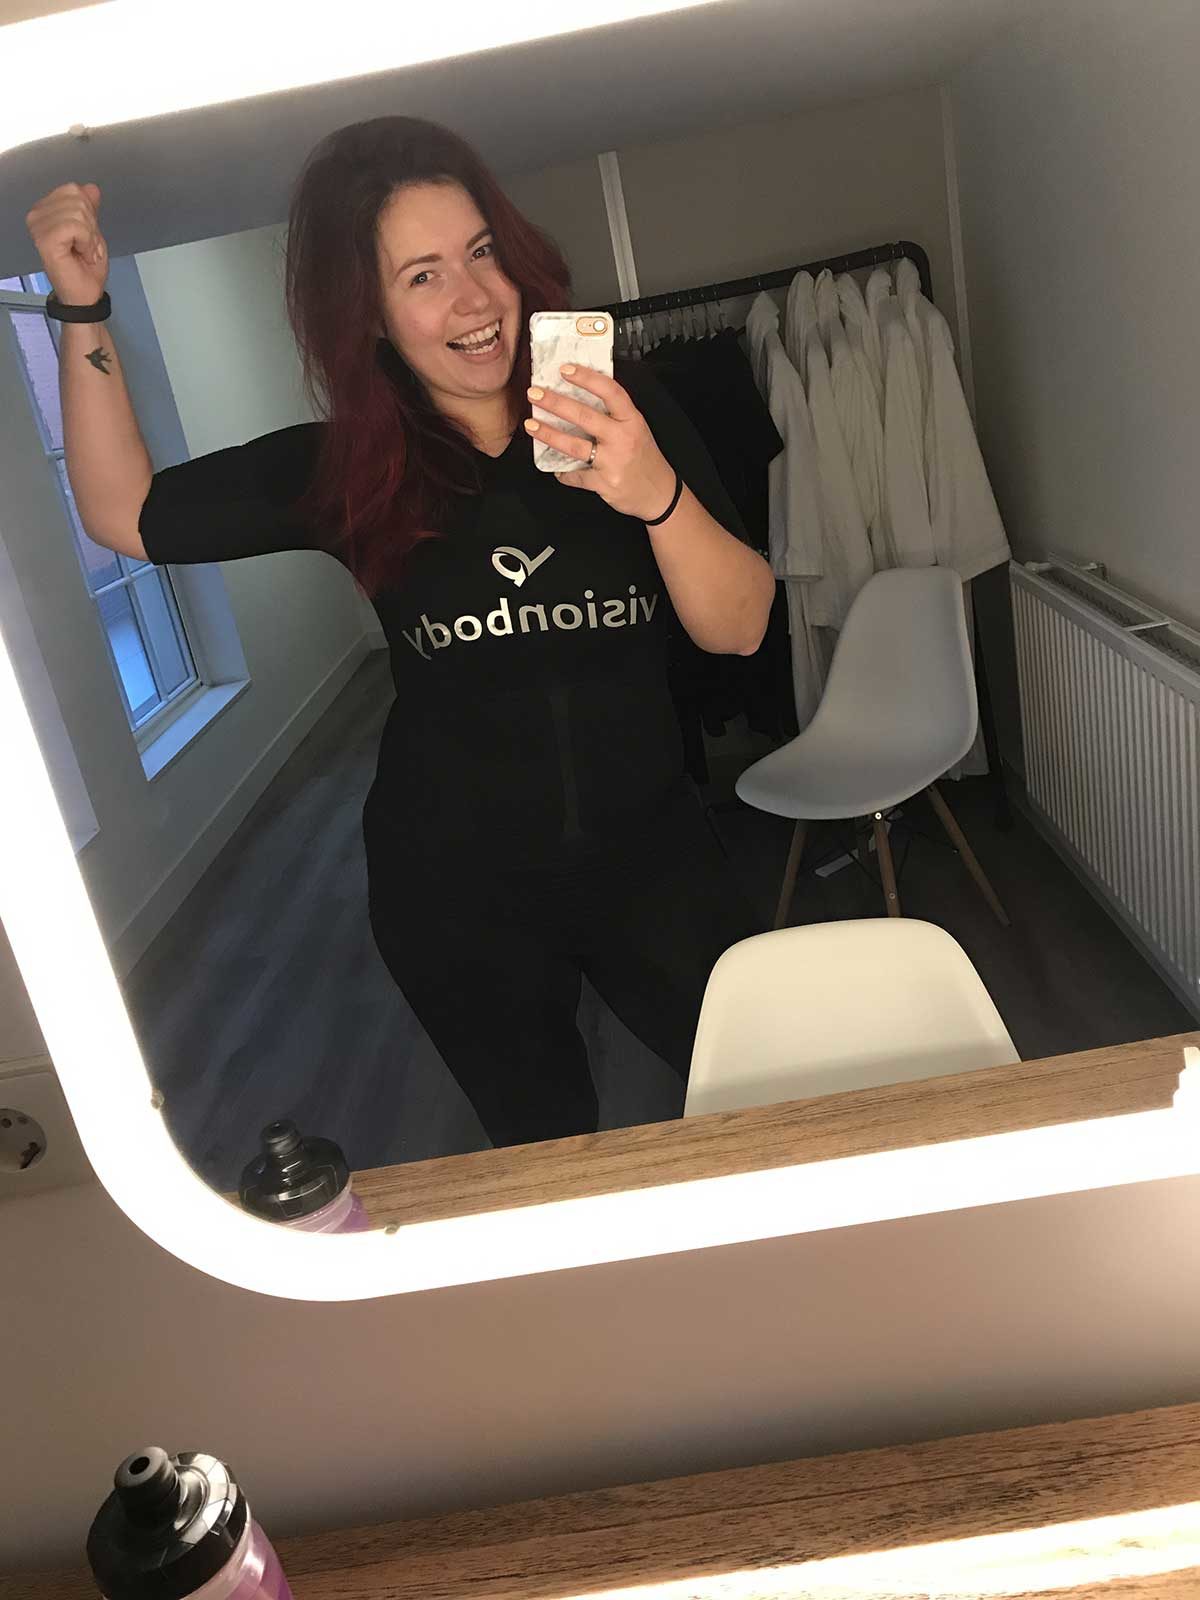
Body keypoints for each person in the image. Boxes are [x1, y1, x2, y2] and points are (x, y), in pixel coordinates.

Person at [25, 116, 776, 1149]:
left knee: (771, 1094)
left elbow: (741, 630)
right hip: (457, 893)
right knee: (545, 1144)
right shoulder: (353, 468)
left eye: (481, 252)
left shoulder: (623, 414)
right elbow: (127, 514)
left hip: (654, 861)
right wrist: (80, 305)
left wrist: (654, 492)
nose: (475, 298)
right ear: (368, 314)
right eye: (422, 276)